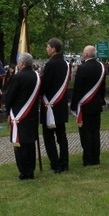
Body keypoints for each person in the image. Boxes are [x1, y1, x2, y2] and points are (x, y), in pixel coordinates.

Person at [5, 52, 41, 181]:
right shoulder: (37, 76)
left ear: (21, 63)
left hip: (19, 115)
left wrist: (7, 109)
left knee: (20, 145)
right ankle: (31, 170)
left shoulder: (17, 77)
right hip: (32, 114)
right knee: (30, 144)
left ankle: (24, 172)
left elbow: (9, 96)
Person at [70, 45, 106, 167]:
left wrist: (74, 106)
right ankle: (96, 158)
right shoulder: (101, 67)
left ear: (85, 54)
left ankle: (88, 159)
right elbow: (103, 87)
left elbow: (77, 89)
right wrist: (101, 99)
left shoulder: (82, 68)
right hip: (96, 104)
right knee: (95, 132)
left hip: (85, 105)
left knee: (86, 133)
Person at [40, 37, 70, 174]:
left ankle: (55, 163)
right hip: (61, 104)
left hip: (50, 104)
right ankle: (64, 162)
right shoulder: (65, 64)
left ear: (53, 48)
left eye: (47, 46)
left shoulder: (51, 64)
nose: (46, 49)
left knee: (49, 136)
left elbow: (45, 84)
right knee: (62, 135)